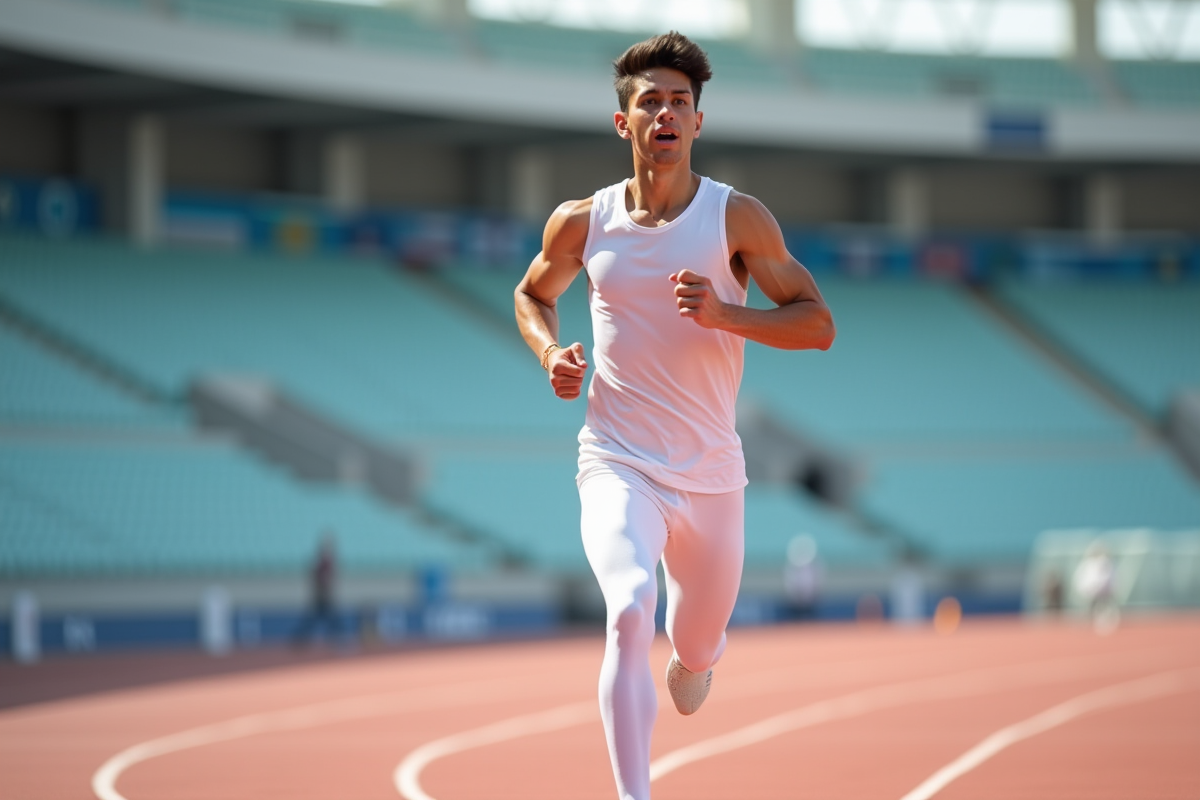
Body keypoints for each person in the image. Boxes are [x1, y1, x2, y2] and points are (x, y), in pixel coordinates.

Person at [514, 32, 835, 800]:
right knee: (628, 608)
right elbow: (532, 296)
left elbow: (817, 323)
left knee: (692, 660)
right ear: (623, 124)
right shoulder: (583, 223)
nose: (666, 112)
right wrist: (549, 353)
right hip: (617, 461)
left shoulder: (738, 220)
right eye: (650, 101)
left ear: (697, 123)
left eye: (680, 102)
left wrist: (730, 315)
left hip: (712, 478)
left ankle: (698, 654)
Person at [293, 531, 344, 646]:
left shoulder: (325, 562)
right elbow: (320, 579)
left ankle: (299, 640)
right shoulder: (322, 563)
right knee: (327, 621)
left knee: (327, 621)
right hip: (322, 598)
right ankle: (299, 640)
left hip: (322, 598)